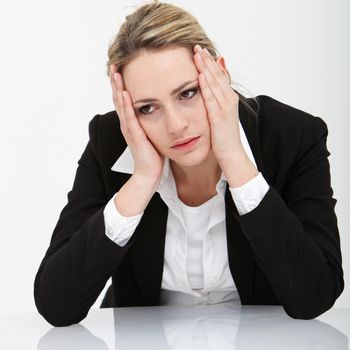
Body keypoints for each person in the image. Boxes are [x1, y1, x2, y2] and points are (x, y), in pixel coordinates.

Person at [34, 0, 344, 327]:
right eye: (147, 108)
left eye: (187, 93)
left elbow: (315, 295)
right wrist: (141, 180)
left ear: (219, 73)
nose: (175, 125)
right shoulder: (109, 142)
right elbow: (56, 305)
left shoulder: (293, 137)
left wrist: (237, 162)